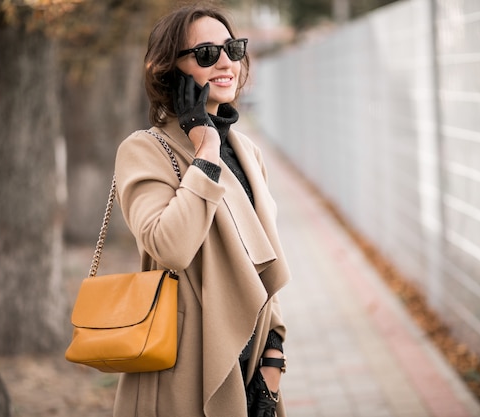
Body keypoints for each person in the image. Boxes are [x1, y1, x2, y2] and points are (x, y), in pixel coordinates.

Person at [113, 3, 291, 416]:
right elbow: (169, 246)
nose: (226, 62)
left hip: (253, 371)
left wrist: (273, 361)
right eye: (207, 54)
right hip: (185, 370)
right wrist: (206, 151)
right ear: (169, 70)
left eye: (233, 48)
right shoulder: (144, 150)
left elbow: (265, 269)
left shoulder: (248, 152)